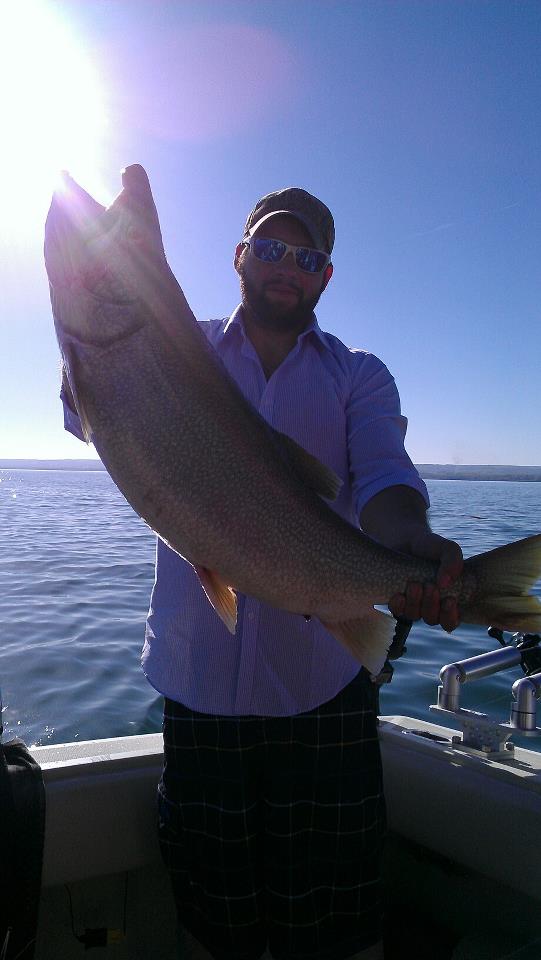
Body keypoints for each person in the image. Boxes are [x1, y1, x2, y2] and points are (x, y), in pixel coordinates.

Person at [61, 186, 463, 960]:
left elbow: (383, 479)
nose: (287, 268)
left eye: (306, 257)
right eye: (271, 249)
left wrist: (410, 542)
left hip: (321, 693)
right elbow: (87, 413)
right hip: (199, 691)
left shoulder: (358, 376)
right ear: (240, 257)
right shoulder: (176, 348)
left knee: (336, 921)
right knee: (215, 920)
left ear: (324, 277)